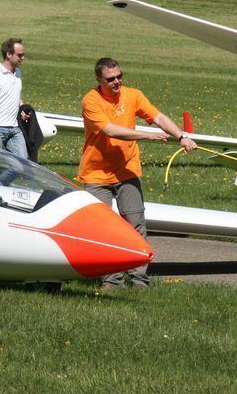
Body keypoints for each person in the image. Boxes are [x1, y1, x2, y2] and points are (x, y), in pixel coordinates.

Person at [78, 57, 196, 290]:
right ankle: (111, 280)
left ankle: (139, 279)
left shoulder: (133, 95)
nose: (117, 82)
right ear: (99, 80)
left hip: (127, 171)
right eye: (110, 79)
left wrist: (181, 136)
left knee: (135, 225)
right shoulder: (91, 100)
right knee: (103, 229)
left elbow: (158, 117)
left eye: (120, 76)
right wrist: (147, 135)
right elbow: (110, 130)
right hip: (96, 175)